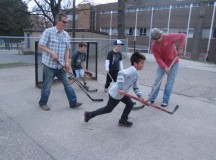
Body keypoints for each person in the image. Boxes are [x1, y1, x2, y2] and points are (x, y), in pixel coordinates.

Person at [84, 51, 146, 127]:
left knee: (130, 104)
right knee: (108, 109)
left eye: (143, 63)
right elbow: (121, 73)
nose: (143, 65)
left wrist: (140, 97)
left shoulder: (136, 74)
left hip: (121, 94)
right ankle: (89, 114)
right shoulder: (132, 70)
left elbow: (135, 87)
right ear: (135, 63)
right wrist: (120, 88)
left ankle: (123, 120)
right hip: (116, 93)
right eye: (141, 63)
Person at [38, 13, 82, 111]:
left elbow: (67, 50)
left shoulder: (66, 35)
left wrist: (67, 63)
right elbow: (41, 45)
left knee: (67, 84)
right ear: (57, 21)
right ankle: (43, 103)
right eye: (64, 21)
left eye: (67, 22)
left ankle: (73, 102)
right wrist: (51, 52)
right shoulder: (48, 32)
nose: (66, 24)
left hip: (60, 66)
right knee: (47, 86)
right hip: (49, 65)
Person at [148, 28, 186, 107]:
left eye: (159, 37)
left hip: (174, 63)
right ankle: (151, 98)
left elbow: (183, 36)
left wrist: (180, 48)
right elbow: (158, 58)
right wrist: (165, 67)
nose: (158, 40)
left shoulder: (169, 37)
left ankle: (165, 100)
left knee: (169, 83)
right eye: (155, 39)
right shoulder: (154, 46)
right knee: (157, 81)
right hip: (163, 64)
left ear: (161, 34)